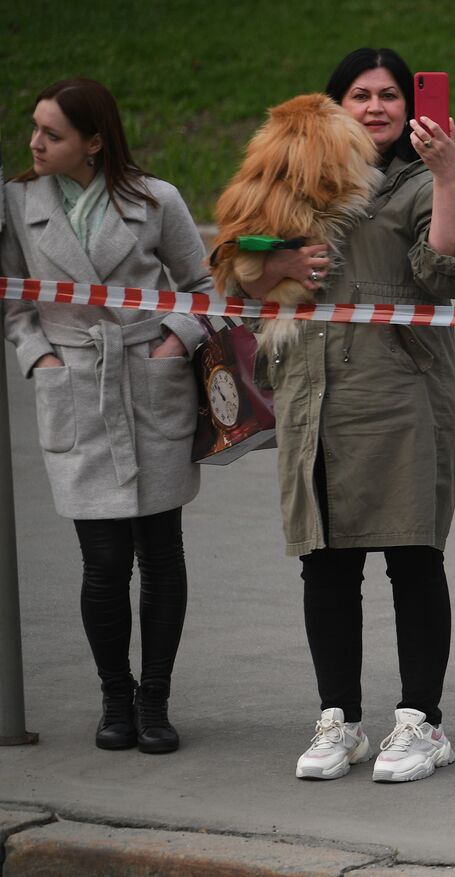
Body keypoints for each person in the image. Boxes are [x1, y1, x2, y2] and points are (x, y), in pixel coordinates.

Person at [234, 47, 455, 783]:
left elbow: (447, 276)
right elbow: (235, 266)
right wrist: (276, 266)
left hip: (402, 396)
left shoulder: (420, 181)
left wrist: (447, 176)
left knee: (413, 558)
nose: (376, 107)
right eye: (361, 95)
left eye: (391, 95)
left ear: (412, 107)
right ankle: (338, 719)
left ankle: (423, 723)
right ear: (334, 105)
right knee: (326, 565)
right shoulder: (290, 174)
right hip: (313, 394)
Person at [2, 79, 213, 754]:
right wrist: (42, 360)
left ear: (94, 141)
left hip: (150, 383)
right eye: (35, 128)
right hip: (75, 386)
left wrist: (177, 338)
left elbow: (204, 287)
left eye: (52, 133)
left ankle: (156, 700)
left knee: (161, 554)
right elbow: (14, 305)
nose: (35, 143)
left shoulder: (156, 200)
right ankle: (115, 697)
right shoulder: (18, 204)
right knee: (102, 562)